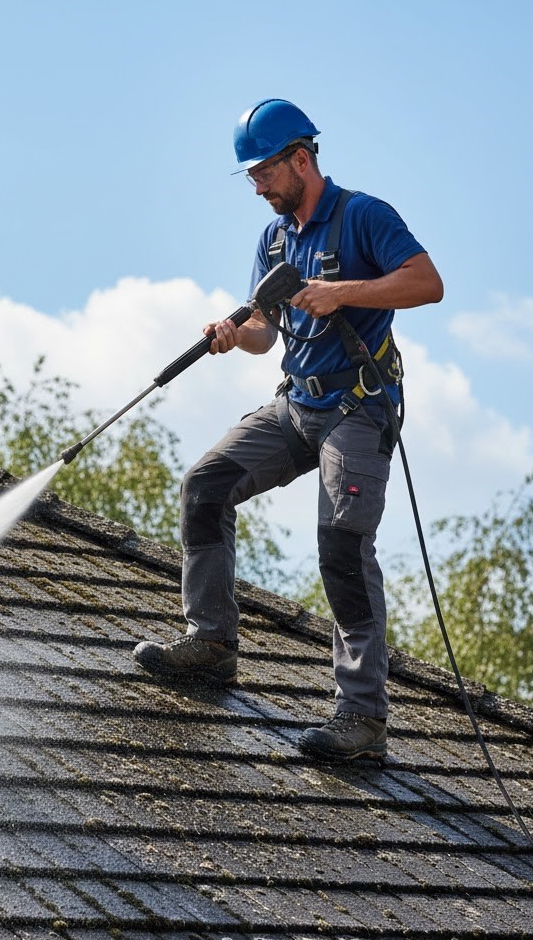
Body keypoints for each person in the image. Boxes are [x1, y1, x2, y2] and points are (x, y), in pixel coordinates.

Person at [132, 98, 444, 761]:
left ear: (301, 159)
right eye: (250, 176)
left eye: (264, 173)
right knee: (205, 486)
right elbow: (263, 331)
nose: (257, 188)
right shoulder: (274, 240)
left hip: (358, 409)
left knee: (342, 544)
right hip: (297, 407)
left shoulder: (364, 216)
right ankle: (212, 644)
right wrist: (231, 334)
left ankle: (363, 718)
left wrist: (342, 292)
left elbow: (426, 283)